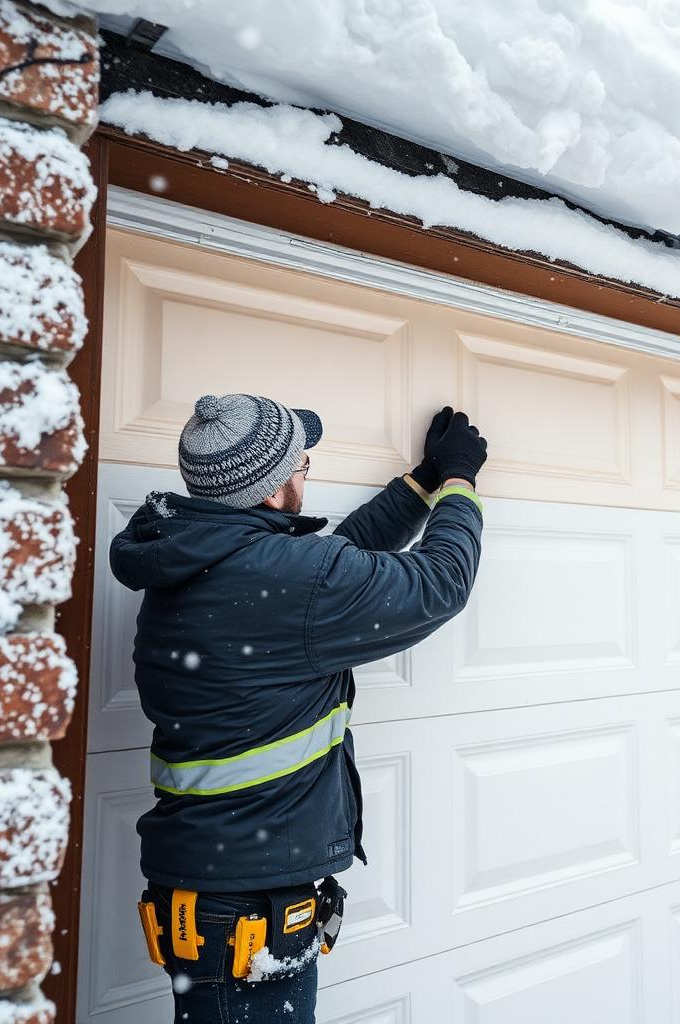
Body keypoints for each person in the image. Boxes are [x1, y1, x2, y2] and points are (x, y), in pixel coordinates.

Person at [110, 394, 487, 1023]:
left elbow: (327, 567)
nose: (305, 473)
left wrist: (419, 485)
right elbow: (437, 583)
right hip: (247, 901)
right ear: (270, 485)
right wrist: (459, 484)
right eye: (302, 463)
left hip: (216, 886)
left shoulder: (191, 558)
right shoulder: (285, 580)